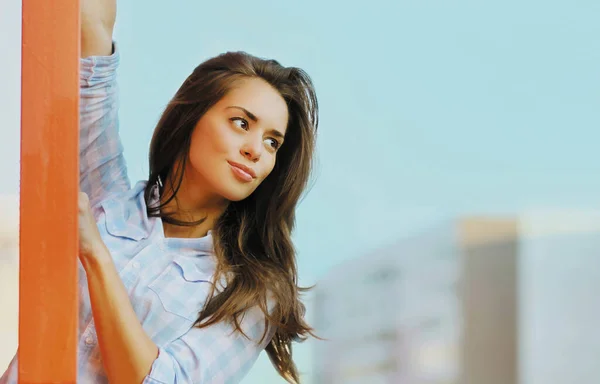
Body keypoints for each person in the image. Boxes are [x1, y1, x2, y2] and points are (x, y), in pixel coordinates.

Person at [1, 0, 318, 382]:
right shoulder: (104, 194)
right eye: (240, 122)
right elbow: (91, 32)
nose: (255, 149)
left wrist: (94, 253)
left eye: (272, 143)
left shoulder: (248, 295)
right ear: (192, 117)